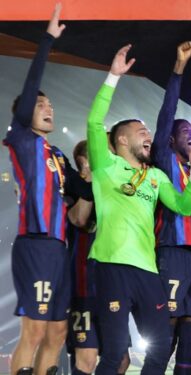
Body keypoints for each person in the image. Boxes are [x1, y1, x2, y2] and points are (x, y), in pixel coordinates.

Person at [86, 44, 191, 375]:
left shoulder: (155, 176)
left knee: (160, 345)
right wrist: (113, 77)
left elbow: (183, 207)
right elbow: (95, 122)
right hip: (111, 266)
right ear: (122, 141)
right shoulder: (105, 165)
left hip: (148, 271)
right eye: (142, 133)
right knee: (113, 354)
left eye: (149, 134)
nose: (148, 137)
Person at [5, 5, 93, 374]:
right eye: (41, 104)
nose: (48, 108)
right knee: (35, 330)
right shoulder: (23, 141)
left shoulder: (58, 155)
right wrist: (47, 41)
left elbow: (83, 188)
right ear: (26, 114)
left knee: (58, 334)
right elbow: (28, 93)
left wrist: (93, 173)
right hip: (37, 242)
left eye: (50, 104)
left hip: (61, 248)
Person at [150, 41, 191, 375]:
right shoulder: (165, 160)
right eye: (186, 132)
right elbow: (166, 115)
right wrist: (178, 69)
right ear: (170, 141)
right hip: (169, 250)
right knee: (166, 326)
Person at [66, 141, 131, 375]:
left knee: (121, 359)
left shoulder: (115, 190)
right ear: (85, 161)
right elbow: (81, 220)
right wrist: (89, 180)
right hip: (83, 286)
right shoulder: (73, 188)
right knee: (86, 358)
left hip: (113, 285)